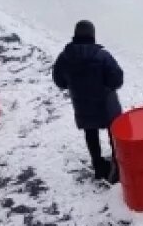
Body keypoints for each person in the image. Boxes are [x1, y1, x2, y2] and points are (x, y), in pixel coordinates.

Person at [52, 20, 125, 182]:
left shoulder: (65, 57)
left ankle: (98, 166)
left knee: (90, 132)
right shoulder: (102, 56)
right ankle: (118, 168)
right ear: (92, 35)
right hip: (106, 104)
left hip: (82, 104)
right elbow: (117, 80)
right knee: (114, 132)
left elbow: (59, 82)